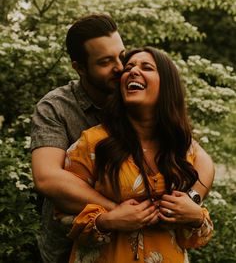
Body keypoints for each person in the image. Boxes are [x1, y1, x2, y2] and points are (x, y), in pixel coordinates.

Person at [31, 14, 214, 263]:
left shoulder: (137, 93)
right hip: (72, 244)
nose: (121, 68)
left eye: (122, 56)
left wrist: (191, 203)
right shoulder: (57, 108)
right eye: (106, 62)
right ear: (80, 68)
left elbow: (199, 157)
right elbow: (47, 177)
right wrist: (114, 213)